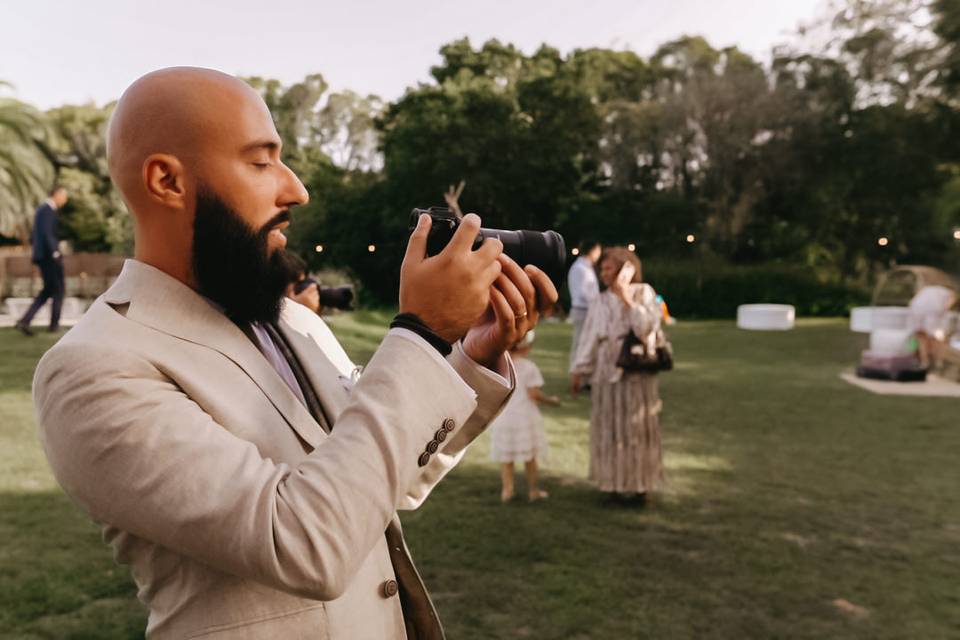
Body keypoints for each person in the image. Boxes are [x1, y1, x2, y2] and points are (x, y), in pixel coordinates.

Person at [32, 67, 558, 640]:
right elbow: (303, 544)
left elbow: (383, 477)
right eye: (261, 162)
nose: (296, 189)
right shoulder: (93, 367)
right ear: (167, 181)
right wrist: (422, 333)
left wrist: (468, 358)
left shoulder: (291, 319)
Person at [569, 247, 664, 506]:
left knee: (637, 431)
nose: (604, 273)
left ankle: (640, 487)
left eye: (609, 268)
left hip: (635, 374)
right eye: (602, 269)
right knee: (609, 431)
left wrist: (627, 299)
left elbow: (648, 329)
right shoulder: (598, 300)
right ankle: (612, 484)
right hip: (604, 375)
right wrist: (579, 370)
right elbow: (589, 337)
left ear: (625, 269)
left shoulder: (643, 292)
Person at [488, 331, 559, 503]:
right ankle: (533, 491)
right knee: (530, 458)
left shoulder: (500, 365)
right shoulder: (529, 367)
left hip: (504, 418)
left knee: (507, 459)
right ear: (526, 348)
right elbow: (534, 394)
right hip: (525, 419)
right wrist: (551, 401)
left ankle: (507, 491)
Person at [15, 186, 69, 336]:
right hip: (49, 257)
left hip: (44, 256)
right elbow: (46, 234)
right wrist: (55, 252)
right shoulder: (47, 210)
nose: (65, 200)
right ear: (56, 195)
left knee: (47, 291)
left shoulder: (44, 210)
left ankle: (24, 321)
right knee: (58, 290)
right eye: (64, 196)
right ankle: (54, 325)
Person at [566, 239, 601, 370]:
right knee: (581, 342)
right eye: (598, 251)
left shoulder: (584, 267)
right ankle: (577, 373)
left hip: (587, 309)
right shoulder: (581, 268)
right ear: (592, 251)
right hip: (583, 310)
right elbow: (584, 292)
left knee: (586, 343)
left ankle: (583, 373)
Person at [908, 285, 958, 368]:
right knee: (936, 339)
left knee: (921, 338)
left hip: (915, 309)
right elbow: (948, 305)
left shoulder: (927, 289)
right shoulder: (950, 293)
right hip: (933, 312)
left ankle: (924, 361)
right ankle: (938, 361)